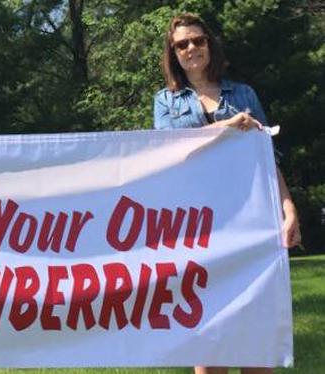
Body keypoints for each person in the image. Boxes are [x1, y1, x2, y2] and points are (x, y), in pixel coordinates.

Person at [153, 13, 301, 374]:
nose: (191, 48)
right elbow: (169, 153)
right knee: (209, 339)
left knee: (256, 342)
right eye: (182, 44)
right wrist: (225, 127)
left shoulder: (244, 93)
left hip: (250, 223)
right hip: (197, 229)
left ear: (209, 44)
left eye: (198, 41)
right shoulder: (165, 102)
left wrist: (289, 209)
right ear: (173, 53)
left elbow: (268, 157)